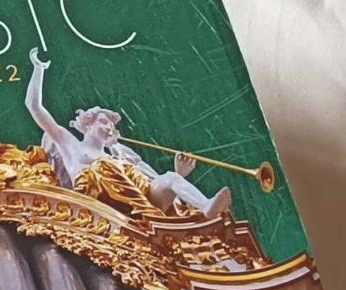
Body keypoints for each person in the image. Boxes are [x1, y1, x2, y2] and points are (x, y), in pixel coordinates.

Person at [24, 48, 231, 219]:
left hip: (140, 200)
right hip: (102, 207)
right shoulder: (70, 145)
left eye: (110, 124)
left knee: (170, 177)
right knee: (103, 167)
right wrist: (39, 68)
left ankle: (206, 206)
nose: (108, 127)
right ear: (87, 124)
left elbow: (148, 182)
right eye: (103, 122)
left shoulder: (118, 156)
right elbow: (34, 107)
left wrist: (179, 174)